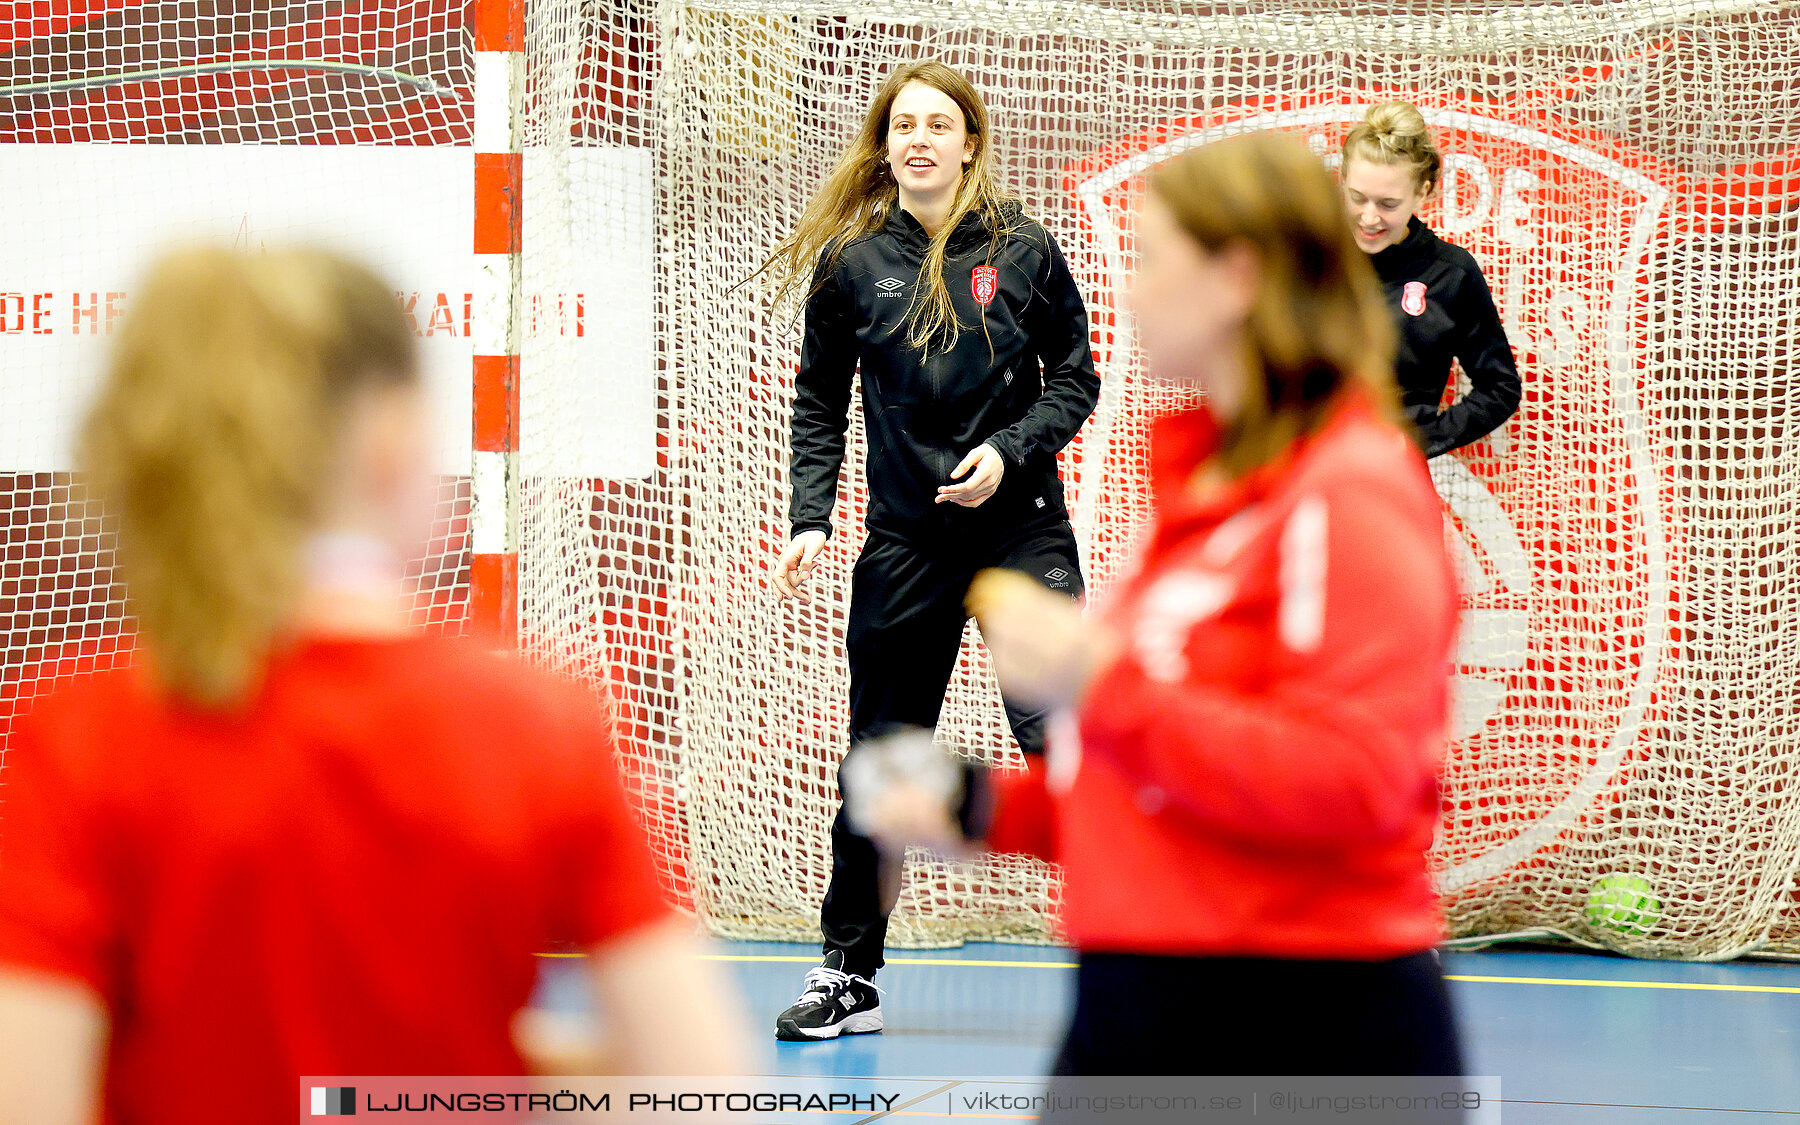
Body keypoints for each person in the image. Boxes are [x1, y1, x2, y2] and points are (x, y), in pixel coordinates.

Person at [0, 247, 752, 1125]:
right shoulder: (532, 721)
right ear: (392, 439)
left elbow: (34, 1092)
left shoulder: (86, 732)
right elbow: (698, 1083)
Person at [856, 131, 1466, 1081]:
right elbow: (1159, 787)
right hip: (1142, 1001)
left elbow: (1354, 782)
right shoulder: (1206, 489)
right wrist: (974, 805)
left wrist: (1098, 679)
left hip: (1302, 1016)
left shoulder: (1347, 487)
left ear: (1234, 277)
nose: (1131, 292)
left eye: (1151, 260)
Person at [758, 59, 1099, 1041]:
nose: (917, 140)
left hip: (1021, 532)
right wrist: (810, 517)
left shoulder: (1023, 248)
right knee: (880, 757)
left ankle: (1145, 953)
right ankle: (849, 977)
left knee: (1060, 747)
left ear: (968, 143)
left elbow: (1075, 380)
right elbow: (819, 399)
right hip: (905, 543)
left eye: (936, 125)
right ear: (886, 145)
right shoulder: (853, 264)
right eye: (901, 125)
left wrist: (1009, 449)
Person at [1341, 101, 1521, 458]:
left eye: (1388, 204)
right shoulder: (1310, 258)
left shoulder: (1451, 273)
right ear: (1343, 178)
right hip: (1304, 482)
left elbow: (1499, 387)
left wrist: (1416, 442)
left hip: (1393, 487)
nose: (1369, 217)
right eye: (1357, 198)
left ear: (1422, 192)